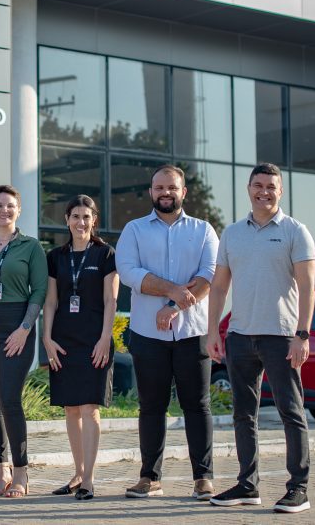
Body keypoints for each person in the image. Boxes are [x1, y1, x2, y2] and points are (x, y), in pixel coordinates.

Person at [206, 163, 315, 514]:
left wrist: (302, 334)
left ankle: (298, 488)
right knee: (243, 415)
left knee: (291, 412)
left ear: (280, 191)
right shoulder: (233, 233)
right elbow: (220, 286)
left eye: (271, 186)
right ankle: (247, 484)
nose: (264, 191)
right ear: (248, 188)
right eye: (258, 185)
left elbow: (308, 287)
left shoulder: (295, 232)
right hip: (240, 336)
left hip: (281, 337)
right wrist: (213, 331)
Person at [115, 165, 219, 501]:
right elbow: (129, 271)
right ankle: (149, 477)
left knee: (197, 405)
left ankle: (203, 478)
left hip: (192, 332)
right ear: (151, 191)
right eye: (159, 187)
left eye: (171, 187)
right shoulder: (134, 230)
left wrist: (174, 307)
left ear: (183, 192)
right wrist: (174, 289)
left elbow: (208, 276)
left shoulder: (204, 231)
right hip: (147, 333)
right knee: (151, 407)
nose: (165, 193)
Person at [0, 184, 49, 498]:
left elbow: (39, 291)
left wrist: (24, 328)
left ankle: (21, 473)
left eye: (10, 206)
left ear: (19, 211)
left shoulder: (31, 247)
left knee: (10, 399)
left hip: (16, 325)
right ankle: (0, 471)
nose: (4, 211)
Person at [42, 194, 118, 501]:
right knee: (71, 409)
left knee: (90, 408)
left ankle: (89, 479)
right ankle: (76, 473)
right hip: (63, 340)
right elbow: (51, 301)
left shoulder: (105, 254)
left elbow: (111, 300)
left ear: (94, 220)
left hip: (94, 339)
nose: (81, 222)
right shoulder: (55, 257)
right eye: (75, 216)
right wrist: (47, 339)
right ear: (66, 220)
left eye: (86, 216)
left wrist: (104, 338)